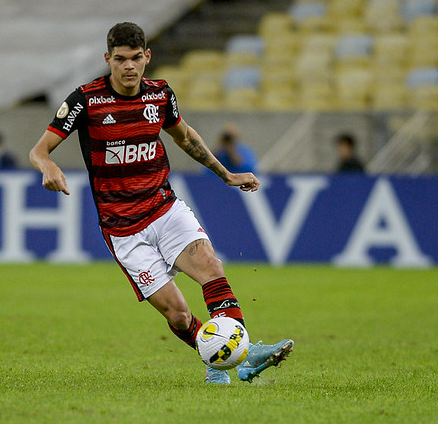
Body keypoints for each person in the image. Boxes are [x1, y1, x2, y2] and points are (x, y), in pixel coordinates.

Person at [29, 22, 293, 385]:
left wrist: (227, 175)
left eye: (136, 58)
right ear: (107, 60)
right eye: (120, 59)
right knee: (179, 314)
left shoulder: (159, 95)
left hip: (164, 208)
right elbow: (39, 150)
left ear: (147, 57)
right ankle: (221, 361)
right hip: (123, 229)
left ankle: (243, 354)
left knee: (210, 266)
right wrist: (48, 165)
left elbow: (185, 137)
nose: (129, 67)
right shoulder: (85, 101)